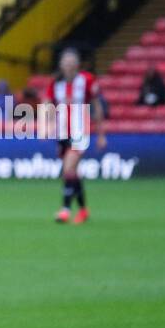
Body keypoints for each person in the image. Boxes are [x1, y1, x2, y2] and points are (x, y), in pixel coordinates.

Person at [44, 47, 106, 224]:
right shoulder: (55, 84)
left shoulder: (86, 80)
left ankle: (65, 210)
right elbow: (48, 103)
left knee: (68, 169)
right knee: (73, 173)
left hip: (80, 131)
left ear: (77, 65)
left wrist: (101, 134)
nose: (69, 66)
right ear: (61, 65)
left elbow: (97, 106)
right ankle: (84, 210)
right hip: (62, 133)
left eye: (72, 63)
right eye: (66, 63)